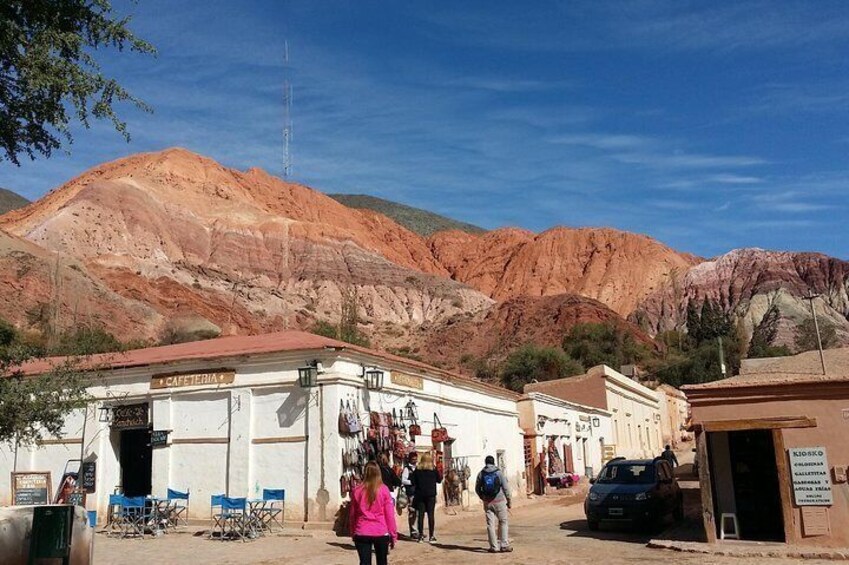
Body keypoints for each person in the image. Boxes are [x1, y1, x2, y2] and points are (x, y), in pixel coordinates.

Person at [349, 461, 398, 565]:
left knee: (364, 562)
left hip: (362, 530)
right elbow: (390, 515)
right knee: (382, 562)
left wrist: (353, 531)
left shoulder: (357, 490)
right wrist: (393, 534)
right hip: (380, 530)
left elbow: (353, 514)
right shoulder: (384, 490)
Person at [476, 455, 512, 553]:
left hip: (487, 503)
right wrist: (509, 500)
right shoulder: (499, 473)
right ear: (494, 462)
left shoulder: (481, 474)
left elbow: (477, 488)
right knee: (503, 522)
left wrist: (482, 498)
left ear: (485, 463)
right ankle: (504, 544)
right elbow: (505, 487)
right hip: (500, 501)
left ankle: (494, 547)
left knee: (490, 524)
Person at [410, 452, 442, 543]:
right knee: (431, 515)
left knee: (421, 515)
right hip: (431, 495)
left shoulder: (418, 470)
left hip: (420, 495)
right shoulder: (433, 470)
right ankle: (431, 536)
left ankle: (420, 536)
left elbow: (412, 481)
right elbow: (439, 480)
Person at [400, 452, 419, 539]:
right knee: (412, 512)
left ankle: (418, 530)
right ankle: (413, 531)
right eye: (413, 459)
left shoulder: (418, 468)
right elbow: (403, 480)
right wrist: (412, 482)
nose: (415, 461)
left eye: (416, 459)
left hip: (418, 493)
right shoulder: (407, 469)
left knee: (418, 512)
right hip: (411, 493)